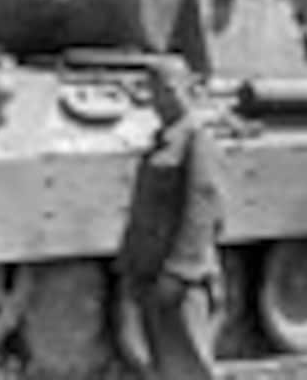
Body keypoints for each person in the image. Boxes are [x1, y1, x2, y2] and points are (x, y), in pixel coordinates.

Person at [115, 59, 227, 380]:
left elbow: (202, 209)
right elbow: (142, 209)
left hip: (180, 280)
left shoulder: (197, 140)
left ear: (187, 89)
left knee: (190, 365)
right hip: (151, 270)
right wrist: (129, 264)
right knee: (162, 363)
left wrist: (180, 270)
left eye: (169, 89)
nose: (162, 98)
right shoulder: (163, 140)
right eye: (156, 91)